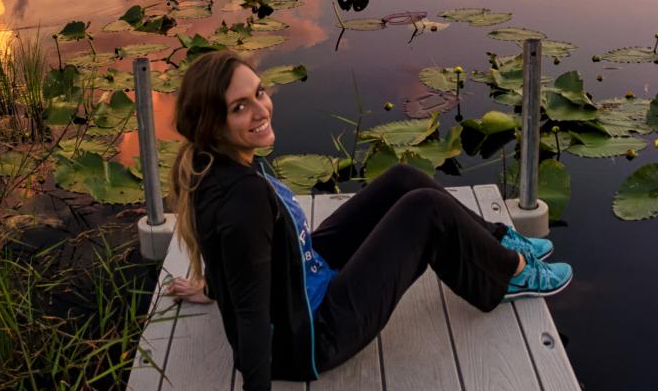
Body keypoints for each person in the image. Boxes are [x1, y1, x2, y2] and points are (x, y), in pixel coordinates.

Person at [159, 50, 572, 390]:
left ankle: (498, 242)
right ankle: (508, 275)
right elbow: (250, 315)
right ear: (212, 123)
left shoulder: (214, 162)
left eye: (259, 93)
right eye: (239, 107)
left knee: (403, 180)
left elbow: (236, 255)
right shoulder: (241, 199)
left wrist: (214, 286)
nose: (260, 109)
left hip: (304, 275)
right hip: (315, 334)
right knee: (424, 210)